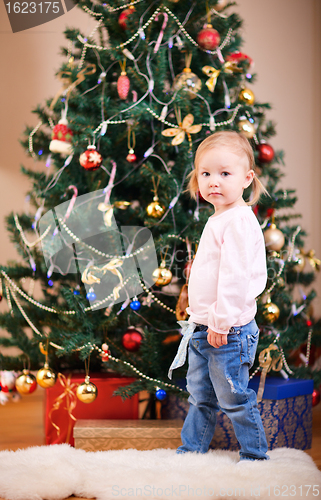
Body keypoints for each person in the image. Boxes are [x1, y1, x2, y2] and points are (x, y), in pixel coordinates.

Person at [168, 130, 270, 462]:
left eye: (225, 173)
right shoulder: (219, 218)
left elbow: (235, 280)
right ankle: (191, 452)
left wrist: (221, 322)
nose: (214, 181)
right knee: (200, 396)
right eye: (206, 173)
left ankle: (255, 456)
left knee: (234, 398)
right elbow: (216, 270)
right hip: (202, 326)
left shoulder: (239, 221)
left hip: (228, 331)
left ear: (246, 178)